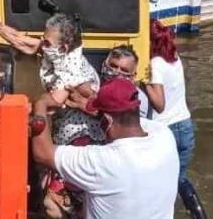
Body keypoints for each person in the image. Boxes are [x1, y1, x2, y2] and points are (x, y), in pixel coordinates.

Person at [31, 77, 180, 219]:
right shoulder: (165, 136)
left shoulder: (103, 162)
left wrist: (40, 105)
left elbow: (43, 154)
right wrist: (98, 111)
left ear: (107, 120)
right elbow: (130, 120)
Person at [37, 13, 104, 217]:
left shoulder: (73, 70)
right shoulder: (62, 59)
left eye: (46, 43)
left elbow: (53, 104)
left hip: (81, 145)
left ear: (63, 48)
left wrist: (34, 107)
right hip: (66, 143)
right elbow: (29, 44)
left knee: (55, 202)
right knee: (53, 199)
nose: (42, 46)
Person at [145, 19, 207, 219]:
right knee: (179, 179)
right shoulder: (174, 58)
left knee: (161, 182)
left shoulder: (155, 64)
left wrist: (143, 81)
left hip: (168, 131)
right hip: (185, 126)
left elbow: (159, 104)